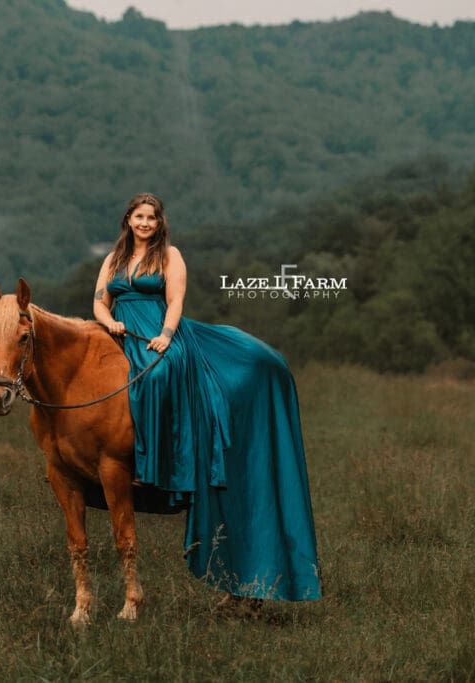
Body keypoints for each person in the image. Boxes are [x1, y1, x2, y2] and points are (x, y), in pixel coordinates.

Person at [93, 192, 321, 602]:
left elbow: (176, 299)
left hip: (161, 332)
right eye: (139, 216)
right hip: (121, 331)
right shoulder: (112, 260)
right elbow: (99, 301)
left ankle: (153, 465)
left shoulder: (169, 256)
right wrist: (110, 323)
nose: (145, 223)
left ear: (159, 223)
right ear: (128, 219)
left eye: (152, 217)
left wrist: (164, 336)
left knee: (156, 375)